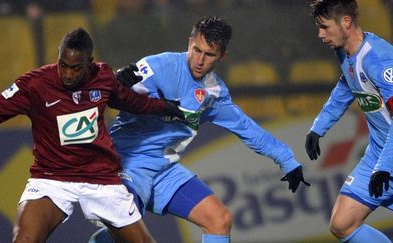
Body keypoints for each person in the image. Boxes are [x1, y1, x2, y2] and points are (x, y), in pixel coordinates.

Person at [91, 16, 310, 243]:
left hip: (163, 169)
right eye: (196, 50)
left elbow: (247, 128)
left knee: (219, 220)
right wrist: (117, 78)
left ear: (222, 56)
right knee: (128, 229)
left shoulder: (215, 94)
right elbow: (110, 87)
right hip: (126, 161)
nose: (199, 60)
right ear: (189, 43)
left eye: (209, 55)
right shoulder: (160, 66)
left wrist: (287, 160)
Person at [0, 28, 185, 243]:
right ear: (58, 58)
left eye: (76, 68)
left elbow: (129, 101)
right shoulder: (35, 84)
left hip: (101, 178)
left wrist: (163, 107)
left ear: (90, 63)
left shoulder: (103, 77)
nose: (68, 74)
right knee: (24, 239)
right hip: (53, 177)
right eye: (63, 65)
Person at [305, 0, 393, 242]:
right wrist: (317, 128)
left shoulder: (381, 60)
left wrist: (385, 167)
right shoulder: (344, 53)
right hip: (378, 155)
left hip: (386, 160)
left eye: (324, 27)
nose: (320, 34)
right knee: (342, 223)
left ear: (346, 22)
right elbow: (344, 89)